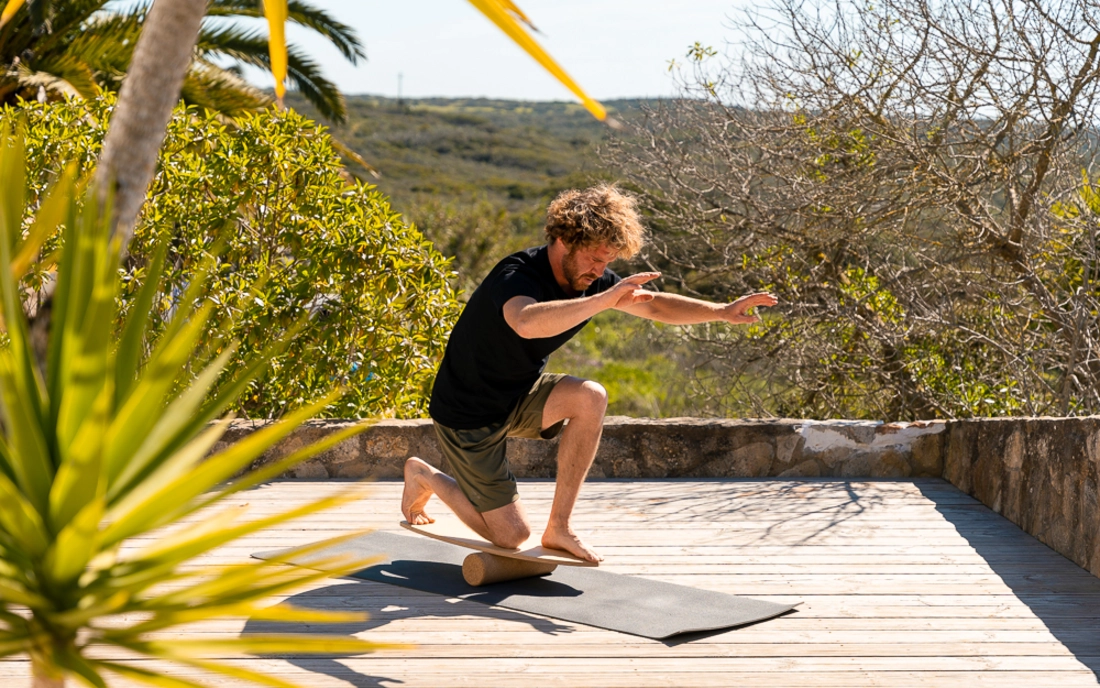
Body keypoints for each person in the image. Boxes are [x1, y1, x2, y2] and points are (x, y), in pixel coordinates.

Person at [402, 184, 777, 563]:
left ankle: (560, 527)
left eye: (607, 262)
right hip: (468, 414)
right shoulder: (517, 274)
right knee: (511, 537)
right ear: (564, 239)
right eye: (594, 260)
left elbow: (657, 308)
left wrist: (721, 310)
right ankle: (425, 475)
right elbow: (525, 322)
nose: (599, 272)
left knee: (590, 396)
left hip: (518, 394)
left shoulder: (591, 279)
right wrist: (601, 301)